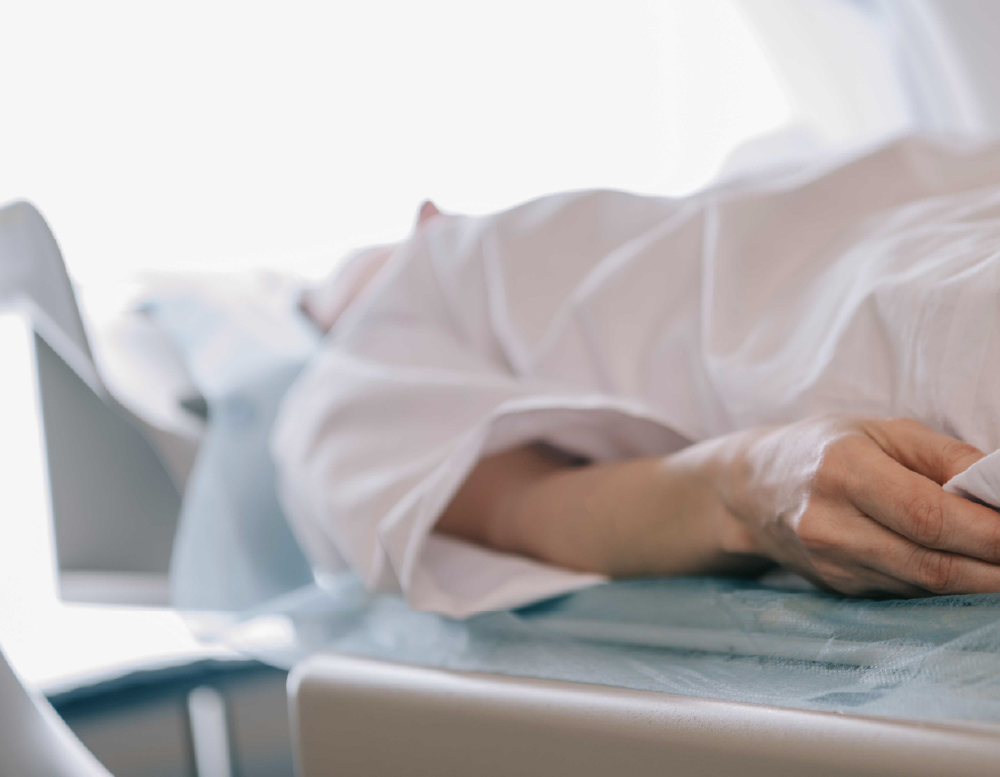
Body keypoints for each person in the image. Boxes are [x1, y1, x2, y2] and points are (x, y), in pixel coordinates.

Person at [273, 135, 1000, 618]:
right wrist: (752, 484)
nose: (430, 215)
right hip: (874, 313)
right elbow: (525, 508)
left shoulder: (668, 208)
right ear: (326, 318)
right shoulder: (333, 391)